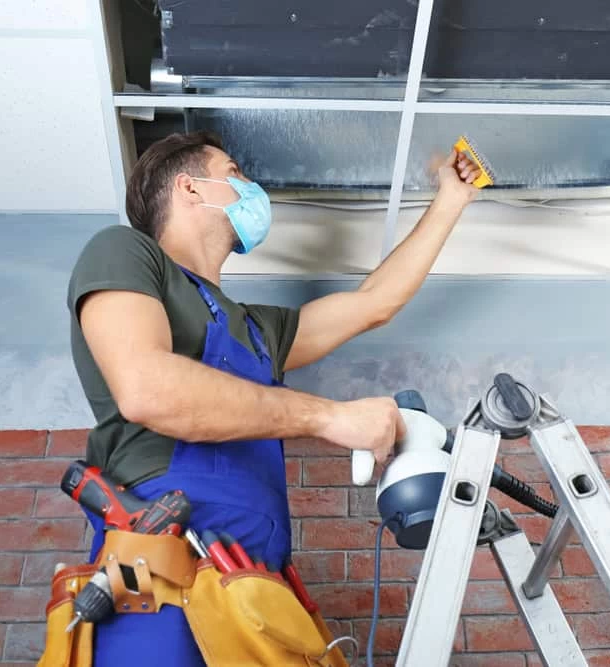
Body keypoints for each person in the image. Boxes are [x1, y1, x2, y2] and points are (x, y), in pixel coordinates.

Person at [65, 130, 482, 665]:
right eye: (235, 172)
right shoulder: (124, 252)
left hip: (257, 579)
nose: (250, 186)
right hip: (159, 561)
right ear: (190, 188)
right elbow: (149, 389)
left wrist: (451, 198)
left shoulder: (257, 329)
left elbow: (374, 303)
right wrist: (327, 417)